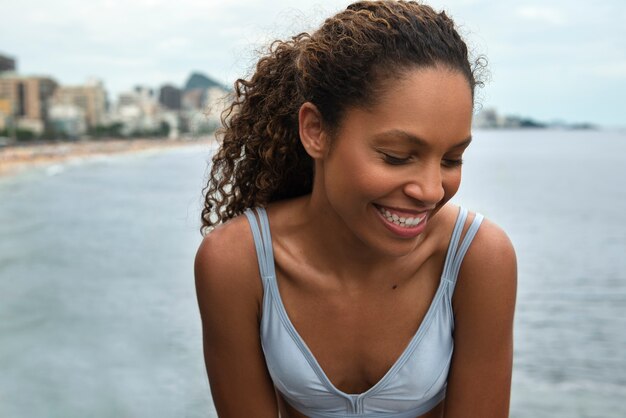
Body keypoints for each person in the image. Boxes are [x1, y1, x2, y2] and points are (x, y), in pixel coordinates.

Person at [194, 1, 517, 417]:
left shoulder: (478, 259)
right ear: (315, 131)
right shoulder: (237, 263)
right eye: (397, 156)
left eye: (451, 160)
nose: (432, 190)